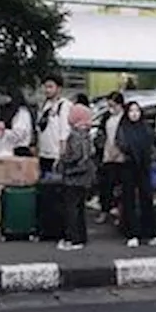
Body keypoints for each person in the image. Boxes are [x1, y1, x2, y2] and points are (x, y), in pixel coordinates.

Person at [115, 101, 156, 249]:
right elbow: (121, 144)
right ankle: (132, 234)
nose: (134, 114)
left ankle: (152, 233)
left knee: (147, 198)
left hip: (144, 167)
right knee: (129, 200)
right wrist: (132, 152)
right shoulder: (123, 129)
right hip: (128, 167)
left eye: (137, 111)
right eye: (131, 111)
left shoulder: (145, 128)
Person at [58, 103, 96, 251]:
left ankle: (73, 238)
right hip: (84, 176)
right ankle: (81, 237)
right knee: (80, 208)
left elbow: (74, 155)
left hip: (73, 176)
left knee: (71, 208)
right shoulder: (86, 134)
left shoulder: (74, 135)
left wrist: (63, 159)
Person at [95, 91, 125, 225]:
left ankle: (120, 213)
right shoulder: (107, 117)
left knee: (121, 187)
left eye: (113, 105)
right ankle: (105, 210)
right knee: (106, 185)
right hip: (107, 156)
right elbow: (101, 134)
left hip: (122, 157)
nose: (111, 109)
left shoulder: (125, 118)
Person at [0, 88, 33, 159]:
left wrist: (3, 131)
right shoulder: (7, 113)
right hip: (3, 152)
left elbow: (18, 134)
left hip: (17, 152)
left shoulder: (22, 113)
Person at [35, 75, 68, 171]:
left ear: (59, 89)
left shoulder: (64, 105)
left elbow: (64, 131)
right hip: (43, 152)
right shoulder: (45, 105)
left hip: (55, 153)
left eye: (50, 87)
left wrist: (62, 153)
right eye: (45, 87)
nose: (47, 90)